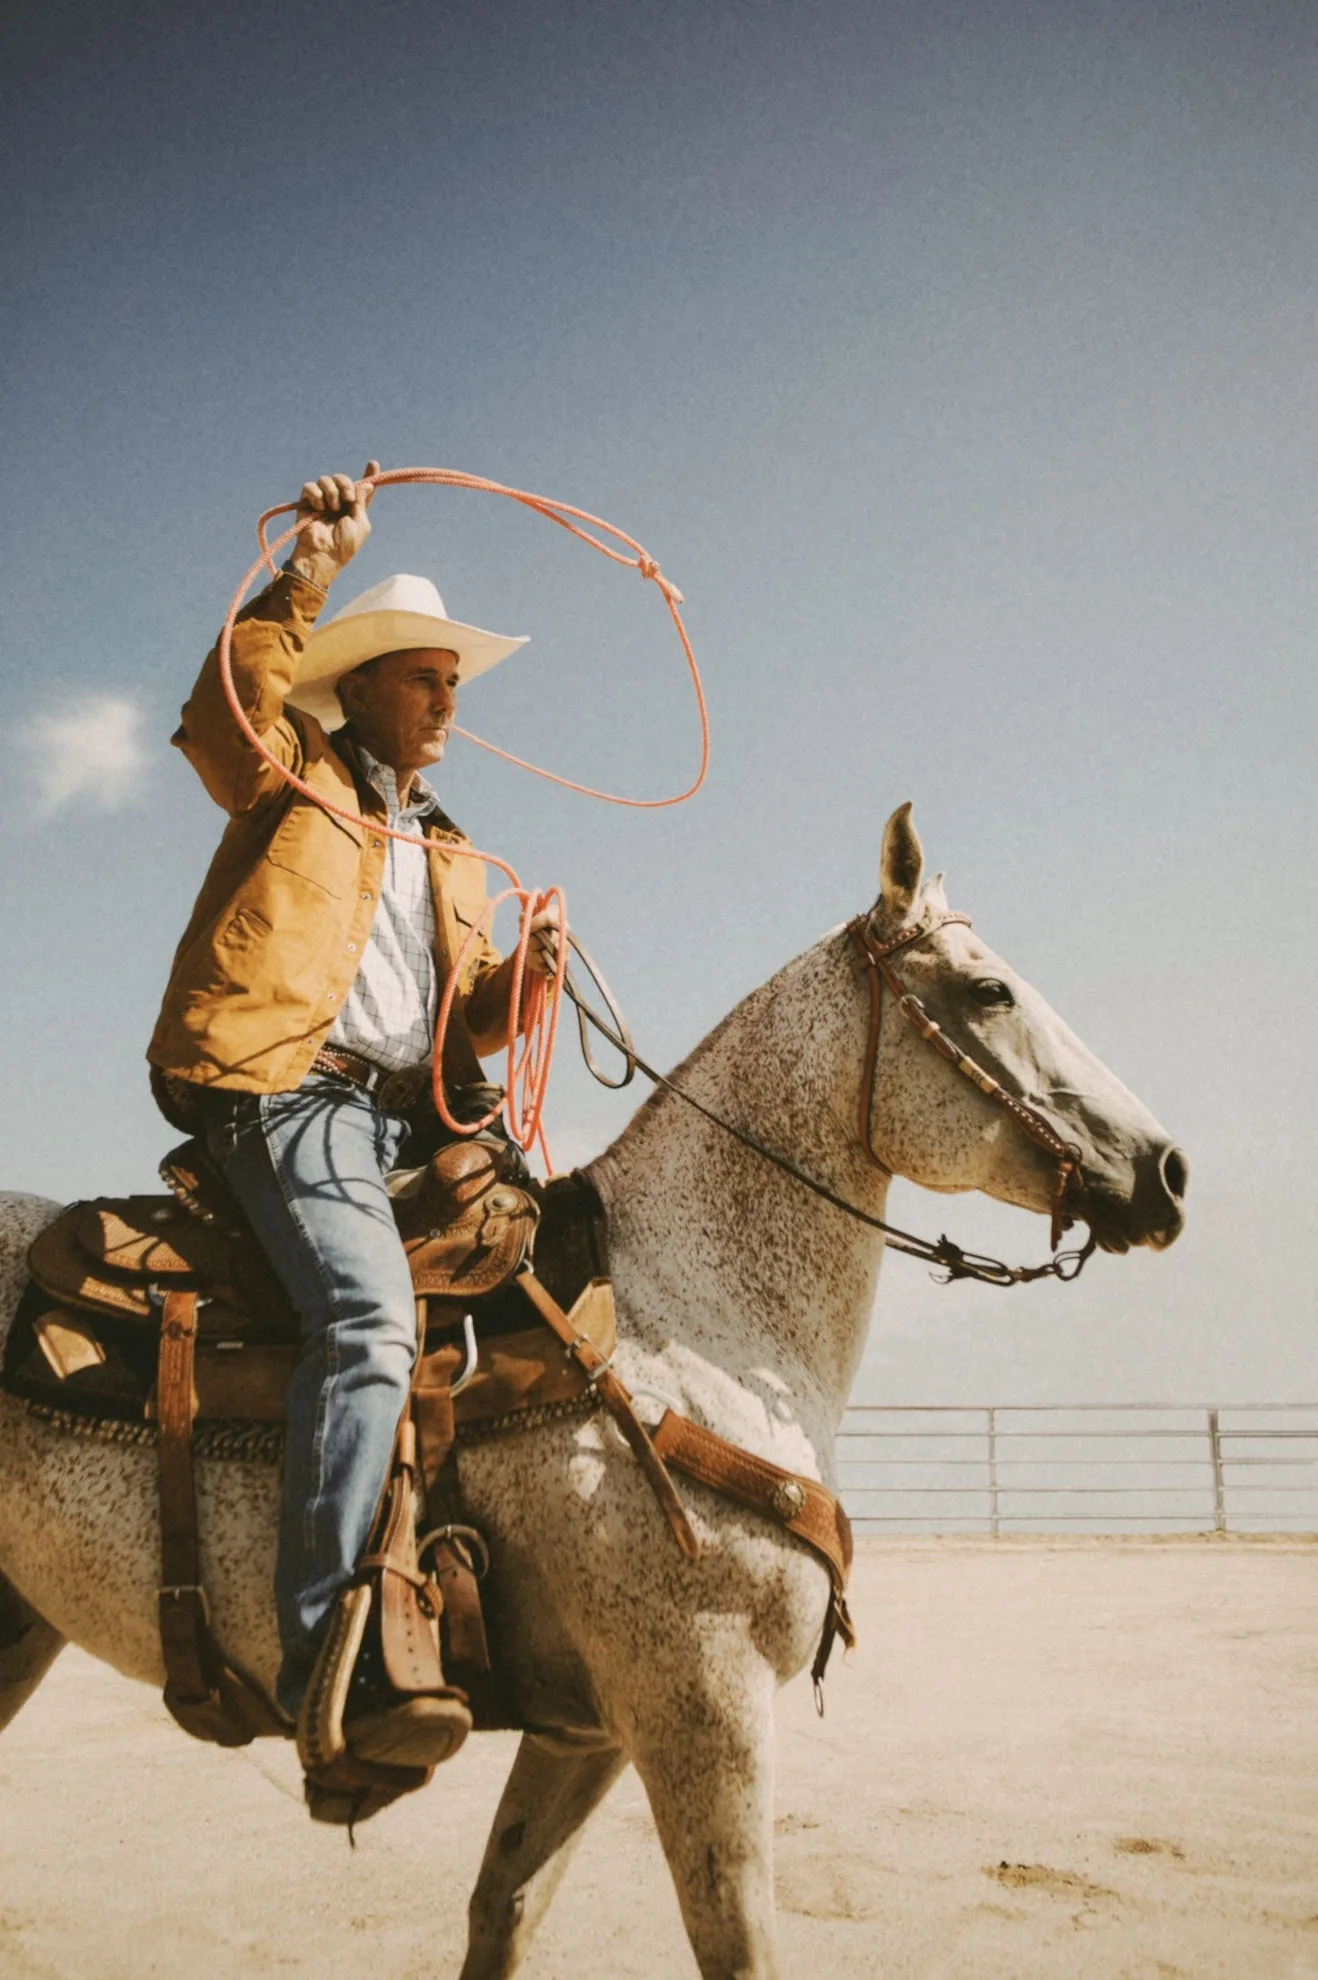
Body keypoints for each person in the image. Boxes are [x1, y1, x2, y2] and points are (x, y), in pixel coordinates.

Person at [147, 465, 557, 1764]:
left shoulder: (448, 849)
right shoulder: (291, 769)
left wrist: (527, 980)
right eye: (427, 676)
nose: (448, 700)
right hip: (289, 1089)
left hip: (404, 1119)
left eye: (454, 681)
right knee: (369, 1316)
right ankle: (323, 1642)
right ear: (365, 683)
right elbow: (219, 710)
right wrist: (308, 569)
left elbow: (464, 1019)